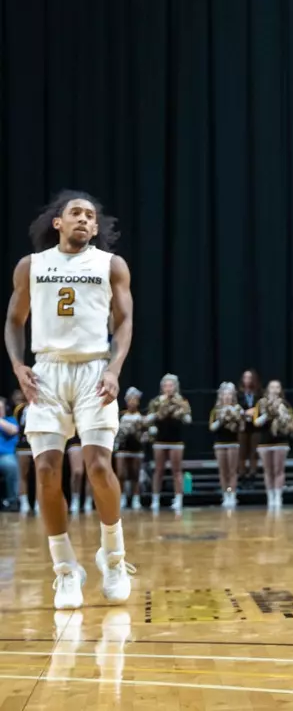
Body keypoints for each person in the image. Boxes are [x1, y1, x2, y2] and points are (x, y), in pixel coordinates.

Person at [4, 192, 136, 609]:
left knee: (98, 465)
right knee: (45, 469)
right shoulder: (32, 265)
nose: (83, 219)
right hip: (47, 370)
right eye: (75, 213)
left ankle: (113, 558)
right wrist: (17, 365)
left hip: (94, 370)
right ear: (58, 222)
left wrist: (115, 368)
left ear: (95, 229)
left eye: (90, 216)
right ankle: (65, 570)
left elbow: (125, 319)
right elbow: (13, 320)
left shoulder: (111, 265)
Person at [146, 373, 190, 512]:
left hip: (176, 440)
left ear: (175, 387)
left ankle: (178, 499)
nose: (168, 388)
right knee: (158, 470)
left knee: (177, 471)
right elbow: (148, 419)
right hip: (160, 440)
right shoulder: (156, 401)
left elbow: (188, 420)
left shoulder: (182, 401)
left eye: (171, 385)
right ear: (162, 387)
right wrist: (155, 415)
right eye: (166, 385)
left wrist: (182, 412)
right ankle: (155, 499)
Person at [252, 380, 293, 507]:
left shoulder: (285, 404)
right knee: (268, 470)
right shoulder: (261, 403)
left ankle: (278, 496)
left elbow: (291, 424)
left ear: (280, 389)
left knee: (279, 469)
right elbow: (256, 422)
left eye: (277, 387)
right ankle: (270, 496)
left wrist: (281, 415)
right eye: (272, 387)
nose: (275, 389)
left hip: (280, 441)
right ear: (267, 389)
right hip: (264, 442)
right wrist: (268, 414)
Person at [208, 382, 245, 509]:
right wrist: (221, 419)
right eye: (225, 394)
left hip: (233, 443)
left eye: (230, 394)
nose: (227, 396)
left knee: (232, 471)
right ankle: (225, 495)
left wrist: (237, 416)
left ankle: (232, 494)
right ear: (221, 396)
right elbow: (211, 427)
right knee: (223, 471)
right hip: (219, 443)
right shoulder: (216, 410)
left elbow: (242, 427)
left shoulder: (238, 408)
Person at [114, 388, 149, 510]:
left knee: (135, 474)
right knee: (121, 474)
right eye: (130, 399)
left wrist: (143, 436)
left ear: (138, 402)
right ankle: (122, 497)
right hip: (122, 449)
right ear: (126, 401)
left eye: (135, 399)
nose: (132, 402)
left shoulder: (142, 418)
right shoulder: (121, 416)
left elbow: (146, 434)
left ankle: (135, 498)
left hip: (136, 449)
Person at [235, 370, 261, 485]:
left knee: (254, 450)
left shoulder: (259, 393)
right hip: (243, 425)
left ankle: (253, 472)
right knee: (242, 450)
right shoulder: (238, 394)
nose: (247, 380)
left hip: (255, 426)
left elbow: (262, 407)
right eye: (245, 377)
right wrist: (244, 412)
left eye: (250, 377)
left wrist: (255, 411)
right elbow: (235, 407)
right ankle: (241, 472)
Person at [11, 389, 33, 515]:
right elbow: (17, 425)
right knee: (22, 474)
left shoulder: (42, 406)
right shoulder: (20, 409)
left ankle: (38, 503)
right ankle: (24, 502)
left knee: (39, 475)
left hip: (37, 444)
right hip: (23, 444)